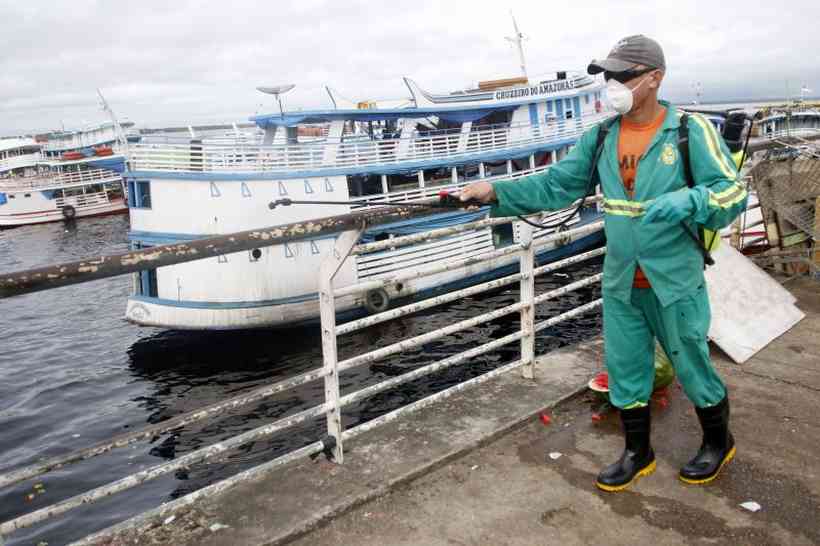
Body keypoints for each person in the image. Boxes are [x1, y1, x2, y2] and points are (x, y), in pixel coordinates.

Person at [459, 35, 747, 492]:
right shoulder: (601, 136)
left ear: (655, 78)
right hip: (620, 279)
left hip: (674, 278)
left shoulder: (690, 132)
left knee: (692, 361)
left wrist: (691, 199)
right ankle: (638, 452)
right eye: (608, 76)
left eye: (622, 75)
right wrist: (496, 191)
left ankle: (718, 441)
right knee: (626, 365)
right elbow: (557, 185)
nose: (611, 84)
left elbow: (733, 192)